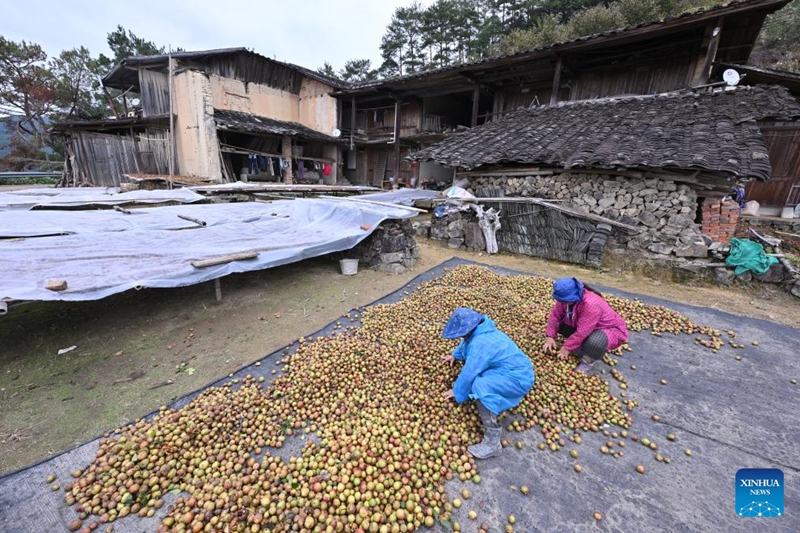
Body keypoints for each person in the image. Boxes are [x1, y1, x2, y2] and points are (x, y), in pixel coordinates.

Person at [441, 307, 535, 459]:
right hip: (512, 370)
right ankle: (499, 397)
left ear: (468, 330)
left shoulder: (481, 343)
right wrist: (454, 355)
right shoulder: (480, 330)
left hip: (517, 378)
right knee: (478, 377)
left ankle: (492, 442)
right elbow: (466, 343)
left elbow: (470, 371)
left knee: (479, 385)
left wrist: (457, 392)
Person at [543, 277, 628, 373]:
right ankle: (581, 346)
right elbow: (555, 315)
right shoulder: (565, 298)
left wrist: (566, 348)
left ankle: (588, 361)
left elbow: (582, 332)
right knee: (560, 324)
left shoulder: (590, 304)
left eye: (564, 301)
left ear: (573, 296)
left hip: (609, 329)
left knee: (595, 343)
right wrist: (550, 337)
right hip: (586, 325)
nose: (562, 303)